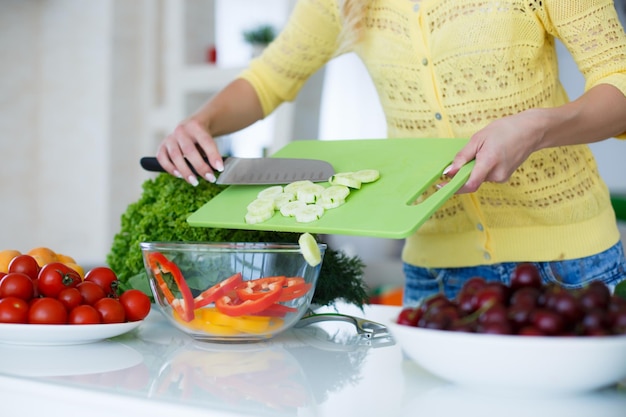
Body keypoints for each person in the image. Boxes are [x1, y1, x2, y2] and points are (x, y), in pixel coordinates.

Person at [156, 0, 626, 306]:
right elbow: (269, 78)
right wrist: (202, 123)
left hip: (572, 267)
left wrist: (538, 127)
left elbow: (619, 81)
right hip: (437, 277)